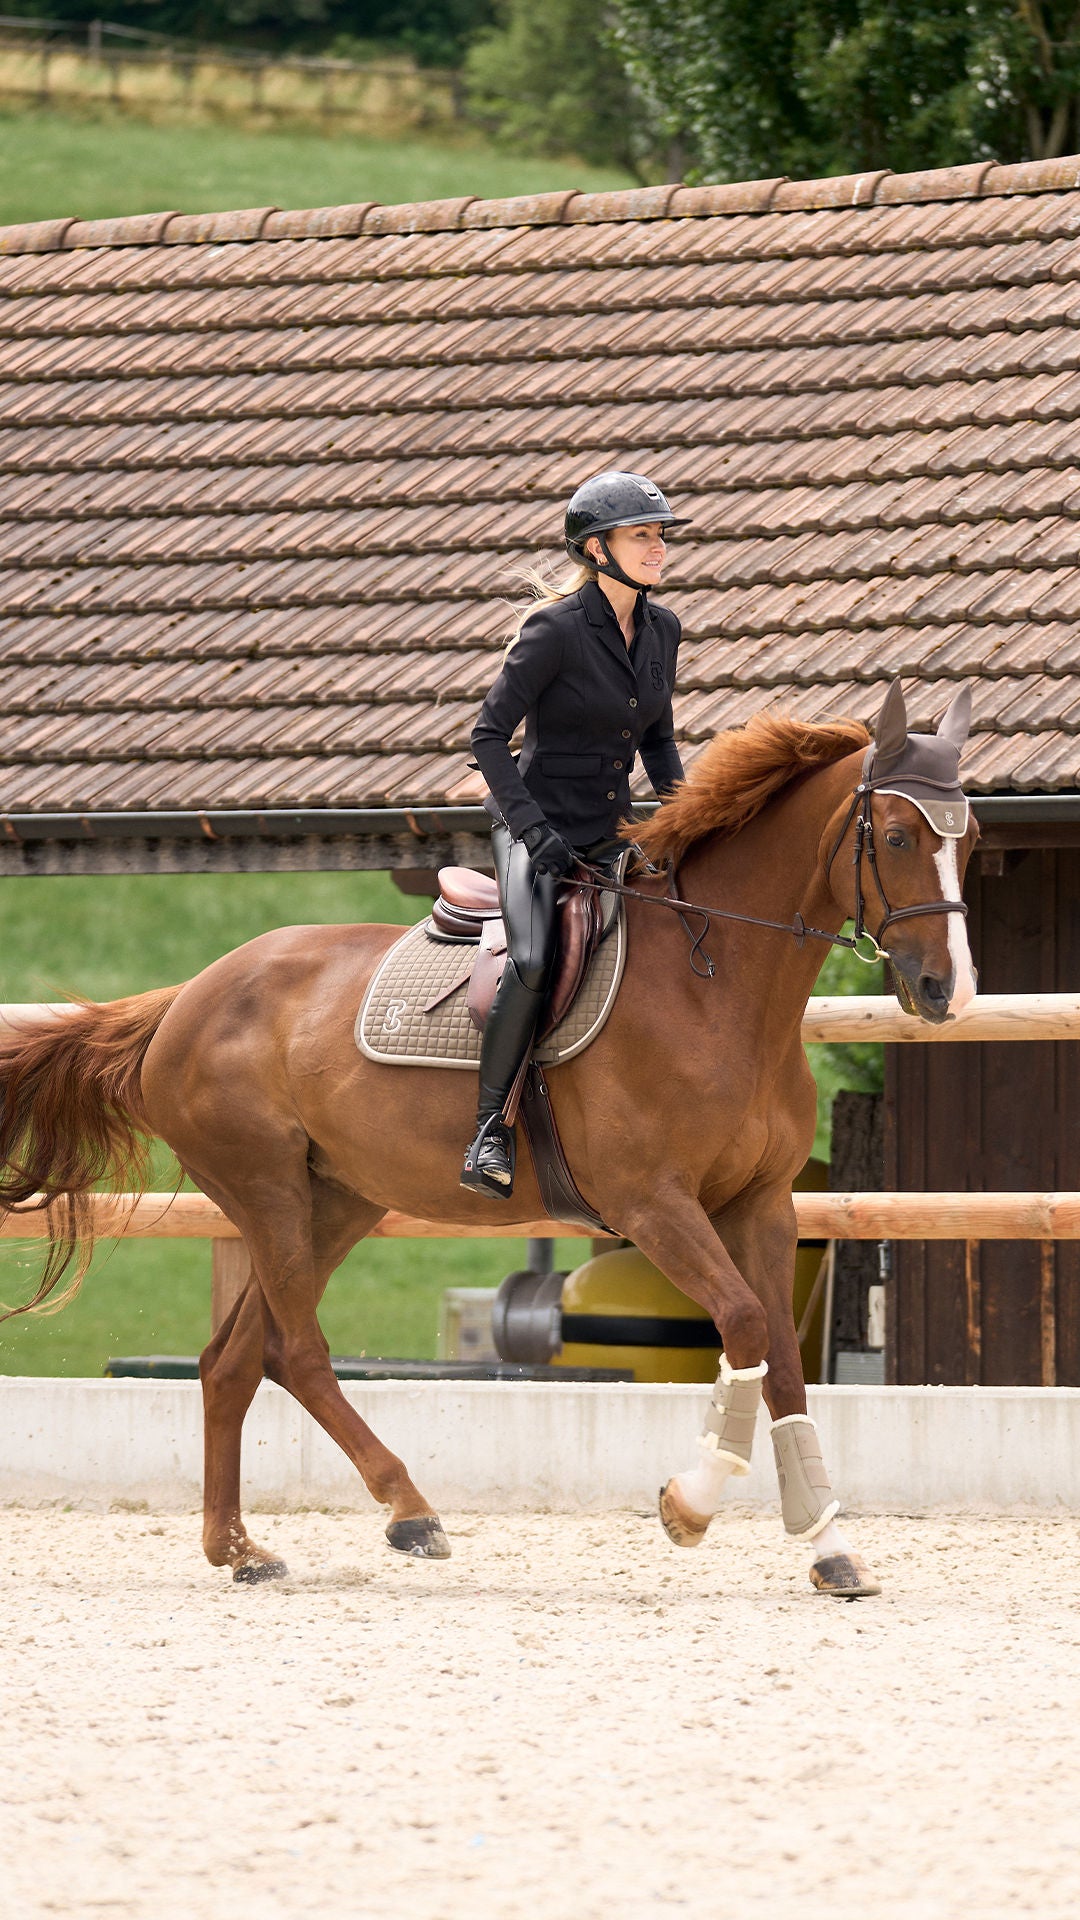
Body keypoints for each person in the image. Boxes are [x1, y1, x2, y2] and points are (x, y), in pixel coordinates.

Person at [461, 470, 690, 1200]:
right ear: (597, 549)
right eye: (641, 536)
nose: (657, 548)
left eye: (659, 536)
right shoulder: (554, 631)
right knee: (532, 958)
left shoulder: (662, 630)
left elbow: (658, 742)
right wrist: (533, 830)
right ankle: (488, 1131)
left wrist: (685, 820)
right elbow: (487, 737)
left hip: (609, 831)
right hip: (534, 827)